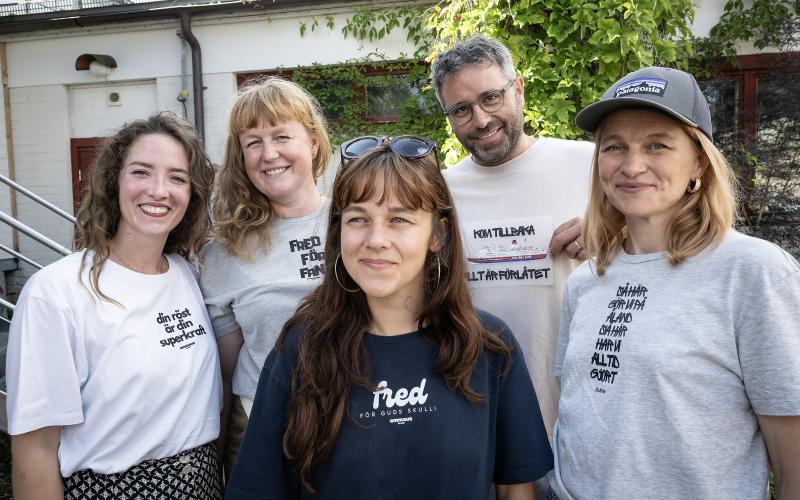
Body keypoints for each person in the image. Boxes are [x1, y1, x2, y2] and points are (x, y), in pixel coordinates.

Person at [226, 136, 553, 499]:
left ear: (438, 234)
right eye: (358, 219)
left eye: (399, 219)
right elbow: (256, 489)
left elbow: (516, 490)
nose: (376, 239)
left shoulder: (489, 345)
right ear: (339, 232)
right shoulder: (301, 348)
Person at [550, 66, 800, 499]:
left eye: (657, 145)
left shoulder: (753, 272)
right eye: (615, 146)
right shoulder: (586, 281)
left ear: (698, 161)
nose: (631, 165)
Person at [6, 112, 222, 499]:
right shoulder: (55, 293)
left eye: (177, 177)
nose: (159, 190)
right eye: (141, 172)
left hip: (204, 486)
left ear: (191, 195)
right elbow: (34, 450)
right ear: (114, 181)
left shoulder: (188, 275)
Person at [431, 34, 594, 435]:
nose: (481, 119)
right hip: (479, 407)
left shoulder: (589, 165)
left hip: (581, 404)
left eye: (491, 98)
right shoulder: (439, 193)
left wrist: (615, 233)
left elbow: (664, 249)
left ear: (518, 89)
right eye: (462, 109)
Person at [199, 76, 332, 478]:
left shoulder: (358, 221)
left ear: (312, 142)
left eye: (281, 136)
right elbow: (225, 372)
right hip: (262, 425)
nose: (268, 153)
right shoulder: (224, 252)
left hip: (356, 418)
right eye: (252, 142)